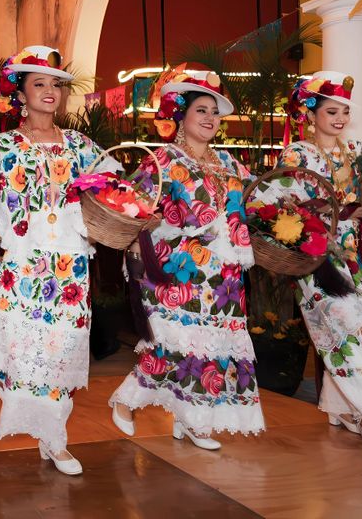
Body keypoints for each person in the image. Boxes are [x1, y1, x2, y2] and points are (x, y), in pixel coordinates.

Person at [0, 45, 121, 475]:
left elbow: (115, 189)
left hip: (70, 267)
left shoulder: (81, 145)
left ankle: (55, 437)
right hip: (19, 266)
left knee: (63, 350)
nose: (50, 91)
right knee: (19, 352)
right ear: (19, 92)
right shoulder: (1, 147)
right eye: (39, 83)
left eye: (57, 84)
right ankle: (41, 427)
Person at [109, 67, 264, 450]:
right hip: (178, 270)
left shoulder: (229, 164)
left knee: (212, 347)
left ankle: (193, 420)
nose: (210, 118)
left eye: (214, 111)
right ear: (182, 115)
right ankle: (126, 401)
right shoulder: (163, 160)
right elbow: (134, 206)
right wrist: (155, 218)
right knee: (175, 343)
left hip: (225, 276)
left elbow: (257, 201)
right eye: (201, 110)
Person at [276, 71, 362, 442]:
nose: (339, 118)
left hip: (360, 252)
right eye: (331, 110)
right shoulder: (297, 154)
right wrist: (341, 212)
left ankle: (344, 407)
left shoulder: (359, 152)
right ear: (311, 112)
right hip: (318, 253)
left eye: (344, 112)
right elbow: (285, 206)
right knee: (339, 326)